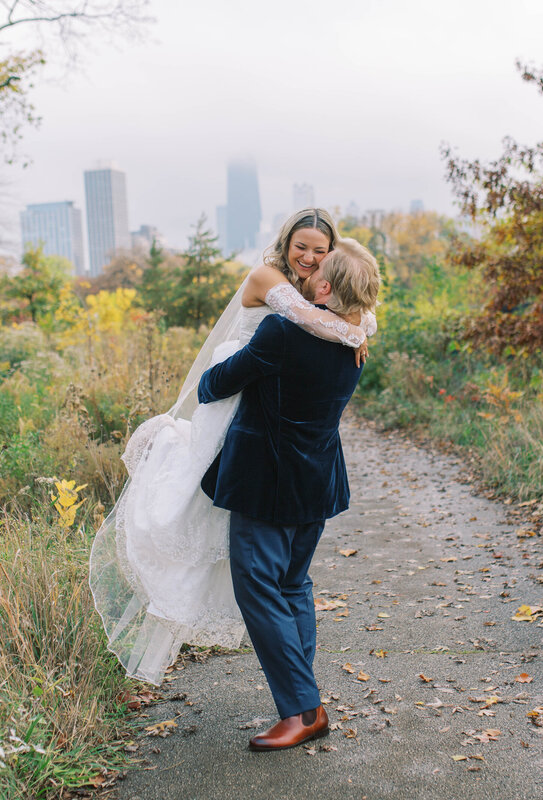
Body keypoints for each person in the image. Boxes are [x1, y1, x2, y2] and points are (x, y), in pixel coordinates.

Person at [88, 209, 376, 684]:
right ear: (285, 245)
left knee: (266, 581)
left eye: (319, 252)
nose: (307, 257)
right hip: (281, 449)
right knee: (285, 579)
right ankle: (302, 695)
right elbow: (307, 318)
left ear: (329, 264)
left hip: (265, 453)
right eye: (300, 247)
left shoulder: (301, 324)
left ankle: (302, 700)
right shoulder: (276, 285)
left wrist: (352, 324)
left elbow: (255, 357)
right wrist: (355, 329)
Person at [197, 238, 381, 751]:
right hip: (315, 480)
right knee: (293, 585)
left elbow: (214, 386)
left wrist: (224, 357)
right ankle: (304, 698)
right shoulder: (355, 337)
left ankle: (304, 710)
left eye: (318, 266)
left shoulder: (282, 331)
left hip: (268, 485)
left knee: (258, 587)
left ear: (323, 286)